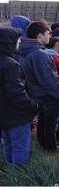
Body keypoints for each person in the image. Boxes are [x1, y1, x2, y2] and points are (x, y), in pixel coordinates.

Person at [19, 21, 59, 152]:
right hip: (48, 94)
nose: (49, 36)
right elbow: (47, 79)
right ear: (39, 35)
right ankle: (51, 149)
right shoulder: (39, 53)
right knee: (50, 124)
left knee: (44, 120)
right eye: (47, 33)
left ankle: (43, 144)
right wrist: (58, 94)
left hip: (36, 93)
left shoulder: (24, 51)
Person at [0, 27, 37, 166]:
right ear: (9, 42)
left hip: (3, 114)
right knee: (20, 147)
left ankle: (11, 171)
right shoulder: (10, 64)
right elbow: (16, 94)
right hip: (15, 115)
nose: (19, 42)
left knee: (8, 144)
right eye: (17, 40)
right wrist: (33, 105)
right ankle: (19, 177)